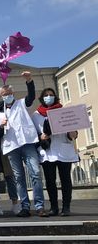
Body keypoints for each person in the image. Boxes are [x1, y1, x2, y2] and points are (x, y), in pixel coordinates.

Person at [0, 71, 48, 217]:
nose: (7, 95)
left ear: (13, 92)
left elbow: (31, 97)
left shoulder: (21, 104)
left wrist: (29, 80)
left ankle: (39, 206)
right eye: (4, 94)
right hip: (12, 147)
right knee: (19, 177)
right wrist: (0, 126)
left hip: (27, 142)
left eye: (9, 93)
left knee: (35, 173)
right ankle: (25, 206)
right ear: (1, 96)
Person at [32, 88, 79, 216]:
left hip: (64, 149)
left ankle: (66, 207)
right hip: (47, 152)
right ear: (42, 98)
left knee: (65, 180)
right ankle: (54, 207)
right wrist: (40, 137)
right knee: (50, 181)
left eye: (51, 95)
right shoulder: (36, 115)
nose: (49, 97)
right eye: (46, 95)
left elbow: (73, 131)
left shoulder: (64, 111)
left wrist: (72, 133)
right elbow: (34, 133)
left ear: (55, 97)